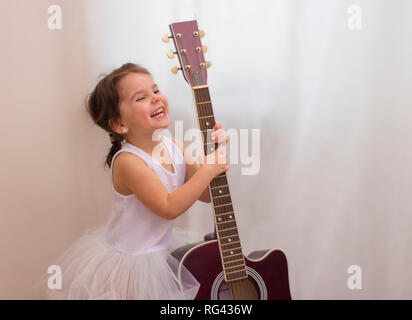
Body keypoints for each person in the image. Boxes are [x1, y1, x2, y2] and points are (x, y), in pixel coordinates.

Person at [36, 62, 229, 299]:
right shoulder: (128, 162)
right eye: (141, 98)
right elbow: (168, 207)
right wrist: (206, 171)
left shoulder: (175, 146)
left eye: (156, 90)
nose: (156, 98)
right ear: (119, 124)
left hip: (161, 257)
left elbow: (206, 195)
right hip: (130, 264)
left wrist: (214, 159)